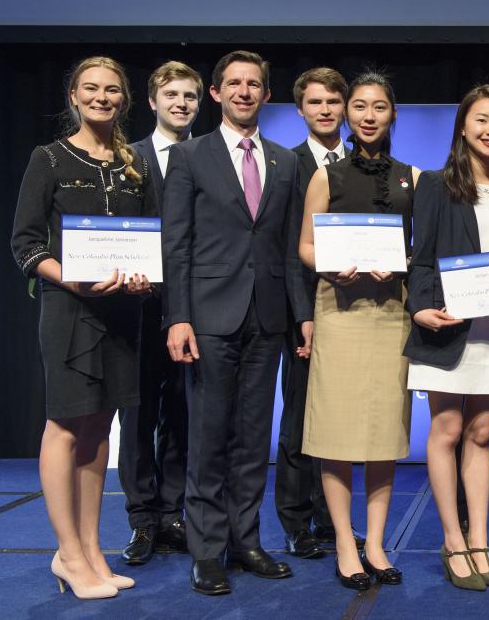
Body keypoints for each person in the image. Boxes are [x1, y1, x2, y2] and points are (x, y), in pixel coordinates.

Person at [163, 50, 313, 596]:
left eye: (254, 84)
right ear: (215, 93)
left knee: (254, 438)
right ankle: (206, 552)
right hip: (208, 317)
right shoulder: (190, 156)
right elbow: (175, 245)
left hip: (268, 316)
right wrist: (177, 317)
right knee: (208, 438)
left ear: (266, 96)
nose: (244, 91)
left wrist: (303, 316)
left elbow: (289, 247)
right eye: (234, 83)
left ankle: (245, 540)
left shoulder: (285, 161)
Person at [11, 56, 154, 600]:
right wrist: (74, 281)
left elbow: (151, 238)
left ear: (124, 99)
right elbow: (26, 244)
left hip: (122, 313)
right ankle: (68, 555)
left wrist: (145, 280)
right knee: (66, 427)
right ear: (73, 95)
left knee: (100, 432)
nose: (101, 97)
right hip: (69, 312)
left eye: (112, 89)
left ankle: (93, 549)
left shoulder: (134, 165)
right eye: (90, 88)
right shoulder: (48, 158)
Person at [404, 85, 489, 591]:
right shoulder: (436, 185)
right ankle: (452, 540)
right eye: (482, 120)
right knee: (448, 431)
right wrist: (419, 309)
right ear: (463, 126)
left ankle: (480, 541)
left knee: (482, 434)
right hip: (448, 326)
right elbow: (420, 256)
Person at [299, 72, 419, 591]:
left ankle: (375, 543)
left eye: (380, 107)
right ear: (348, 115)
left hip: (392, 313)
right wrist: (330, 266)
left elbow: (421, 249)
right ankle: (345, 545)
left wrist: (405, 264)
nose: (369, 116)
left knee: (382, 432)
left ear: (393, 114)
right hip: (340, 311)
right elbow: (305, 245)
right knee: (337, 431)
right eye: (360, 107)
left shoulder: (414, 176)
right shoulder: (327, 175)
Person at [118, 61, 200, 567]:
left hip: (192, 307)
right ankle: (142, 520)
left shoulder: (211, 157)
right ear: (152, 101)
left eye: (190, 96)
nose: (181, 103)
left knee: (184, 416)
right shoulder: (130, 159)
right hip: (139, 308)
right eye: (171, 94)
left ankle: (173, 514)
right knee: (138, 415)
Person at [277, 67, 349, 561]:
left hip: (359, 313)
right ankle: (297, 521)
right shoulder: (288, 164)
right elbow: (288, 247)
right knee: (301, 419)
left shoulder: (369, 162)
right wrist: (304, 314)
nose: (325, 110)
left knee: (339, 420)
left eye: (333, 101)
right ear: (300, 109)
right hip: (307, 312)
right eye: (315, 102)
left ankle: (333, 521)